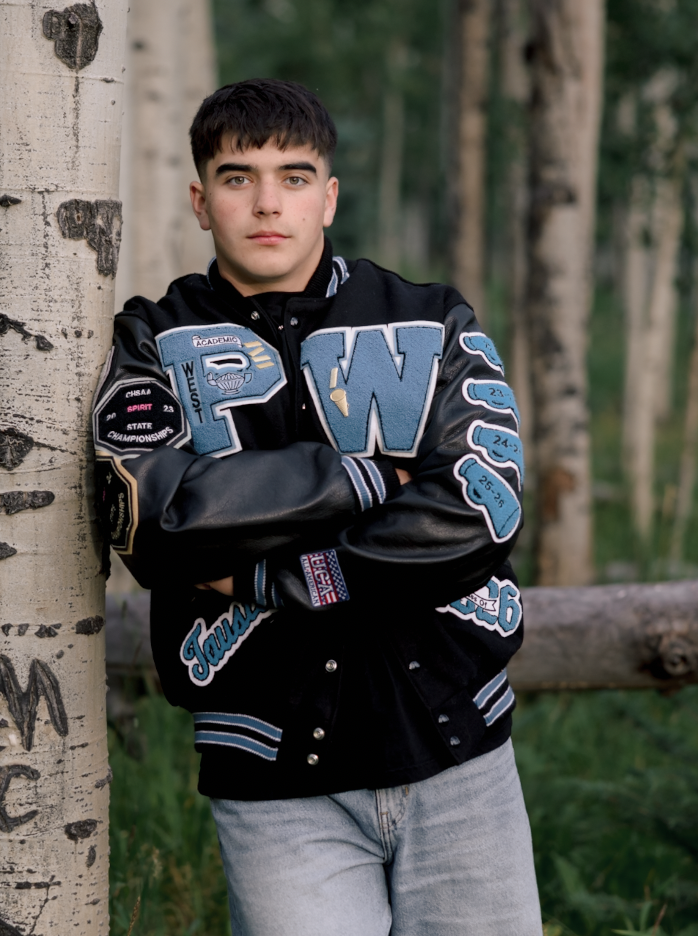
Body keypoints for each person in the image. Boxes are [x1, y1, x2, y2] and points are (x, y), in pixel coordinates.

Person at [93, 78, 541, 935]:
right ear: (199, 199)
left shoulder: (430, 320)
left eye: (294, 177)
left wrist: (276, 579)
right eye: (237, 177)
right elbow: (155, 517)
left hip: (459, 755)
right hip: (272, 781)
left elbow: (480, 509)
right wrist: (366, 480)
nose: (267, 202)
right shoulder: (151, 340)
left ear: (329, 197)